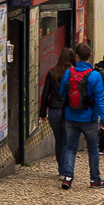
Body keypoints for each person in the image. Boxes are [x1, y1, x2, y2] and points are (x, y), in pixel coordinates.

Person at [59, 42, 104, 189]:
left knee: (70, 147)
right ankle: (95, 180)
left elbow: (62, 93)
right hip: (89, 118)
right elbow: (100, 99)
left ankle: (67, 177)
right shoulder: (95, 76)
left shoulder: (68, 73)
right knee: (93, 149)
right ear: (91, 56)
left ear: (77, 56)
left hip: (70, 116)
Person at [39, 47, 75, 179]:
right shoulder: (72, 73)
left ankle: (61, 170)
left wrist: (42, 112)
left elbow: (46, 93)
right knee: (67, 141)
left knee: (59, 141)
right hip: (68, 110)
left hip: (54, 111)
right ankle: (65, 171)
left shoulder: (52, 72)